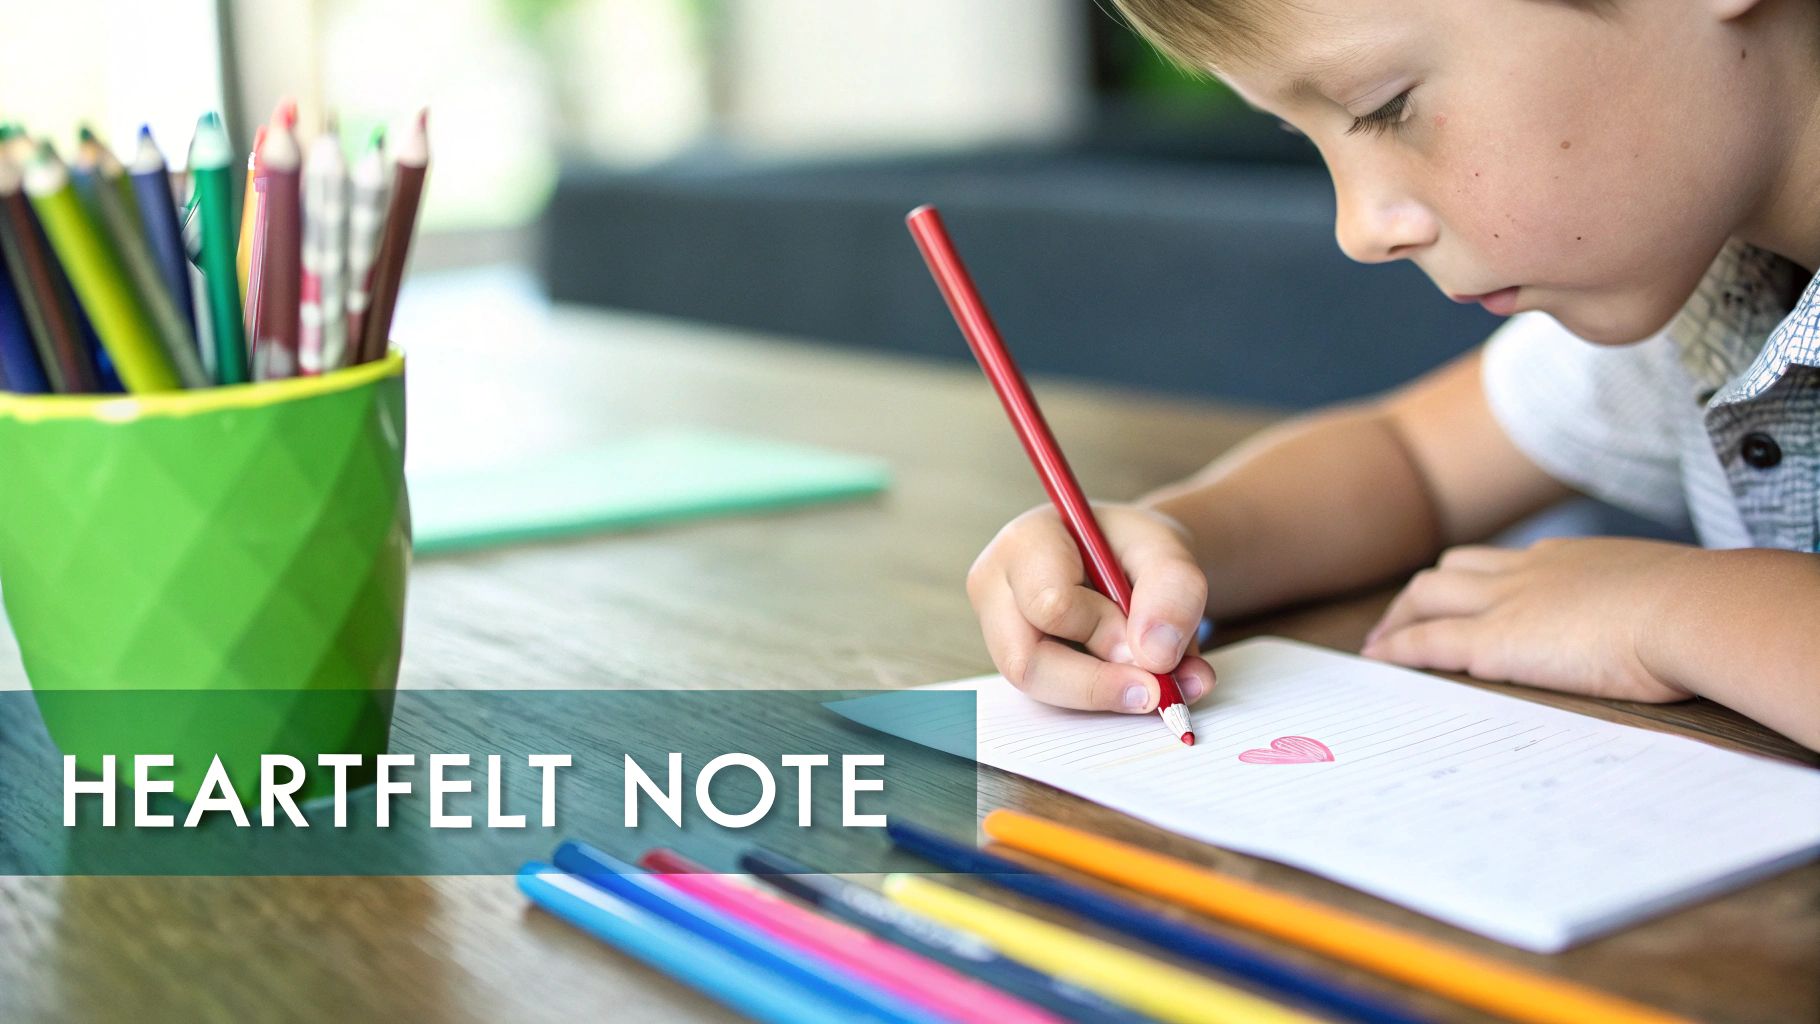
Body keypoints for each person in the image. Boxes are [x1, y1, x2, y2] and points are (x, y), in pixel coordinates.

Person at [966, 0, 1820, 750]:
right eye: (1309, 141)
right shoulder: (1707, 287)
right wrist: (1171, 546)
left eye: (1386, 107)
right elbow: (1412, 462)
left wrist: (1674, 611)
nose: (1360, 230)